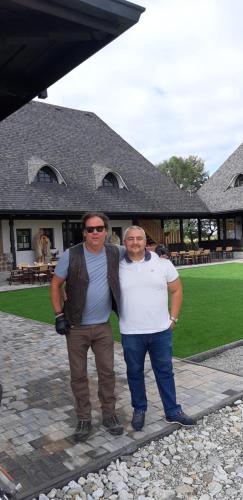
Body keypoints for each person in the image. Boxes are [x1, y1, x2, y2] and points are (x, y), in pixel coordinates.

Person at [50, 212, 123, 439]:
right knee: (78, 375)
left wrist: (158, 257)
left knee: (107, 372)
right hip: (76, 327)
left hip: (103, 326)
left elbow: (138, 252)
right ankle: (83, 418)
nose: (95, 233)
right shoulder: (71, 255)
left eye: (99, 228)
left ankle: (109, 414)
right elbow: (55, 285)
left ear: (106, 231)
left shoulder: (115, 252)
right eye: (90, 229)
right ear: (84, 232)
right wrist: (59, 315)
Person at [119, 225, 196, 431]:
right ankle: (139, 409)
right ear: (124, 242)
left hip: (160, 331)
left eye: (139, 239)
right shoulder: (116, 267)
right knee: (134, 372)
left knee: (165, 372)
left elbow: (177, 289)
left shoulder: (163, 264)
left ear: (146, 242)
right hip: (131, 332)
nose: (135, 242)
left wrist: (173, 318)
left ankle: (173, 411)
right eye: (130, 239)